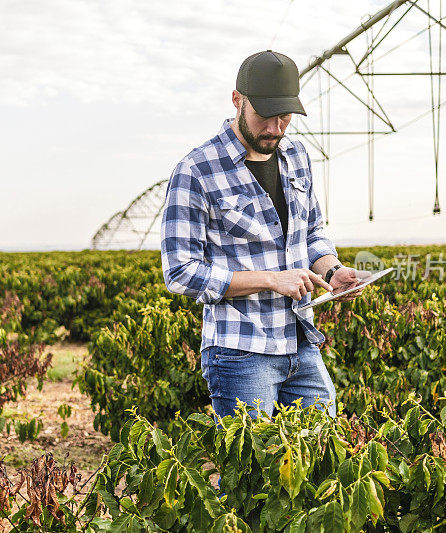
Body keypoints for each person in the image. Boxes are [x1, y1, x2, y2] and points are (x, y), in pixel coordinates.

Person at [160, 50, 364, 424]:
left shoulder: (297, 156)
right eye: (265, 116)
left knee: (322, 452)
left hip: (300, 341)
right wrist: (272, 280)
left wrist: (333, 270)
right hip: (241, 350)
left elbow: (312, 232)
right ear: (237, 100)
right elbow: (180, 272)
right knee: (251, 473)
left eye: (284, 117)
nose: (275, 128)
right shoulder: (196, 170)